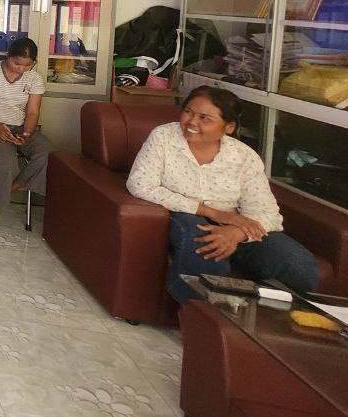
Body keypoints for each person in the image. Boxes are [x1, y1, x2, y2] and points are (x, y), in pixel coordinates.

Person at [126, 86, 319, 303]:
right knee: (206, 246)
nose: (191, 122)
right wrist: (213, 213)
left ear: (229, 127)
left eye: (204, 118)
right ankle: (200, 313)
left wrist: (235, 233)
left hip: (236, 225)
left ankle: (257, 313)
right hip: (184, 213)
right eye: (188, 112)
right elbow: (140, 184)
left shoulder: (244, 156)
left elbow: (267, 213)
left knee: (299, 266)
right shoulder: (164, 137)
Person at [0, 37, 51, 226]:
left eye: (27, 65)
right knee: (5, 159)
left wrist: (27, 133)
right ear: (8, 56)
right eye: (17, 63)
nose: (21, 69)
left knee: (45, 151)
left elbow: (33, 112)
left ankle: (12, 187)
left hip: (20, 127)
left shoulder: (34, 79)